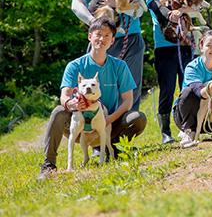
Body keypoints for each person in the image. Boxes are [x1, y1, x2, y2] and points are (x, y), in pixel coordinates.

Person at [37, 17, 147, 180]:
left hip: (107, 124)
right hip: (80, 125)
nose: (102, 39)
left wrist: (109, 118)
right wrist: (71, 103)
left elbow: (128, 101)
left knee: (137, 118)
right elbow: (64, 96)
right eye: (98, 34)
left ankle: (115, 148)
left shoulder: (119, 66)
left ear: (112, 41)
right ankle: (49, 165)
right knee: (59, 111)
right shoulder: (75, 66)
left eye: (107, 36)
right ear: (90, 37)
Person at [71, 0, 146, 111]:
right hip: (101, 41)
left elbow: (140, 11)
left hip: (131, 40)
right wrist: (93, 22)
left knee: (131, 86)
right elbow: (76, 5)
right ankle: (97, 126)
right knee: (96, 85)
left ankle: (128, 125)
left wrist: (117, 5)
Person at [146, 0, 194, 144]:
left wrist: (181, 11)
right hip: (164, 47)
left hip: (185, 45)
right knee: (167, 88)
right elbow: (156, 8)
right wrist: (172, 14)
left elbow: (195, 6)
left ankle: (186, 127)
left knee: (187, 86)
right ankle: (165, 131)